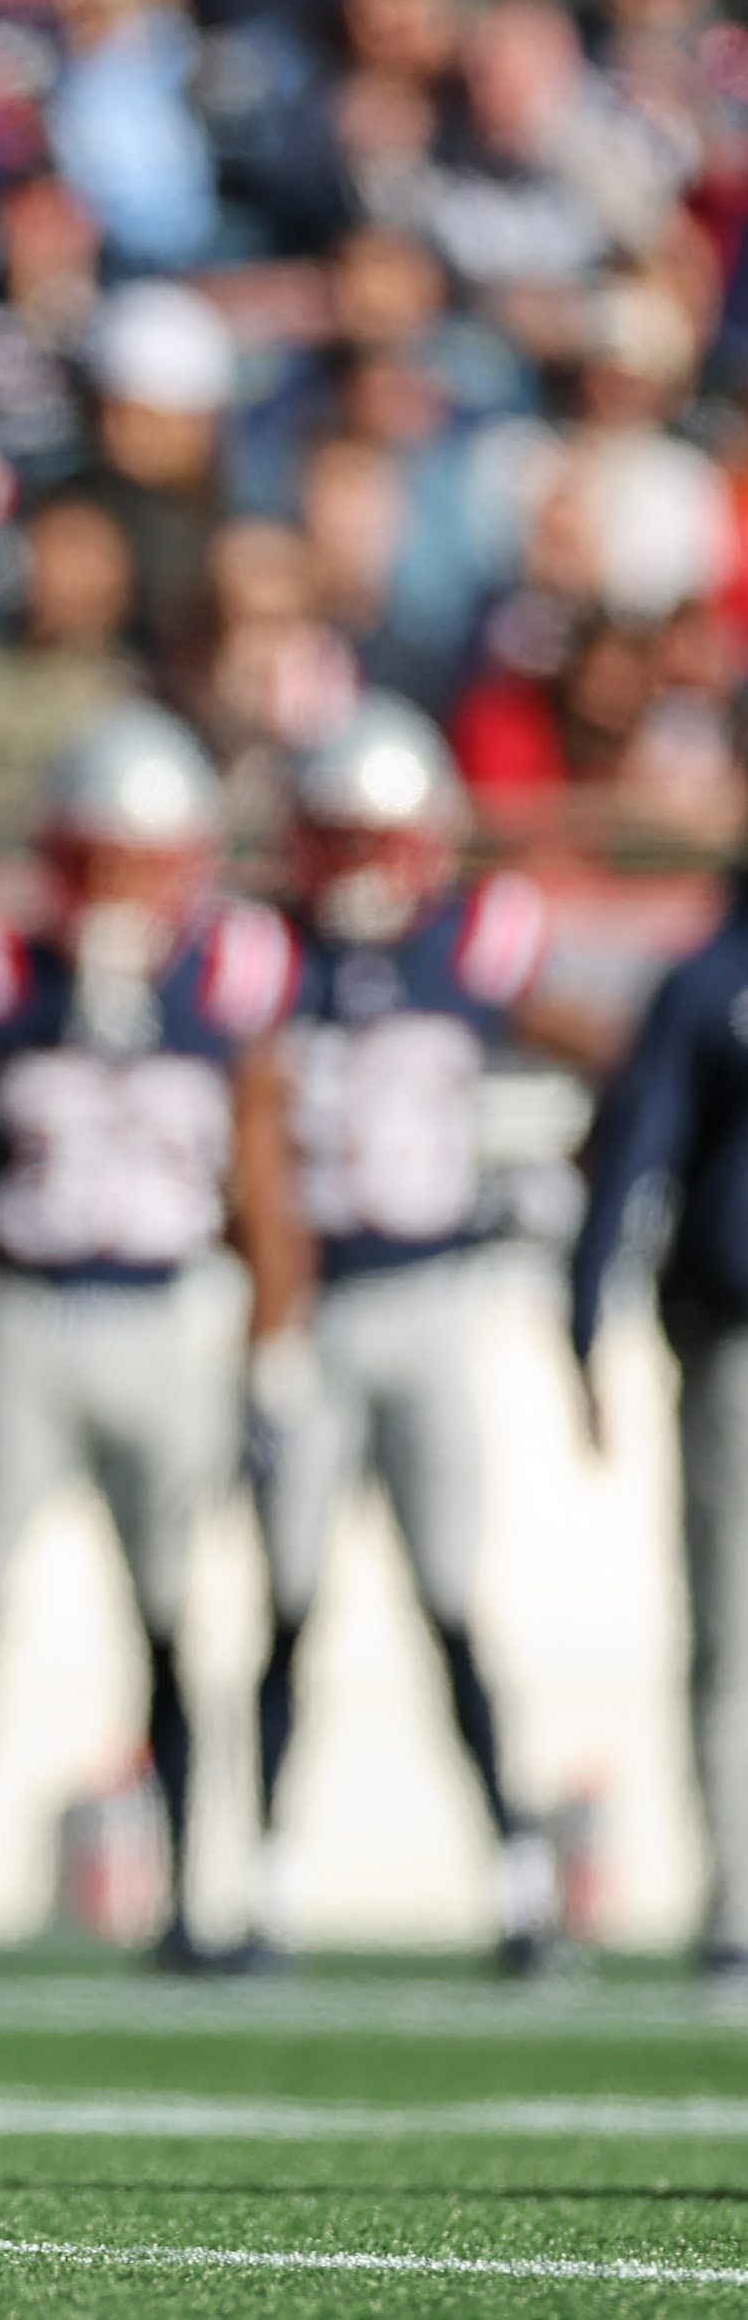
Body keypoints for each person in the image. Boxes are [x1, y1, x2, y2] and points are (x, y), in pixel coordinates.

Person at [0, 703, 301, 1971]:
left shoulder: (228, 972)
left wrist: (274, 1350)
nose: (119, 890)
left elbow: (259, 1175)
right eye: (97, 858)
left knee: (176, 1619)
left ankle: (193, 1901)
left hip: (170, 1317)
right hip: (27, 1314)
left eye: (142, 860)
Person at [250, 694, 596, 1973]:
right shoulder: (264, 953)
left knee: (451, 1600)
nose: (353, 866)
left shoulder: (473, 939)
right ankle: (260, 1883)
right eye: (332, 838)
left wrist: (576, 1167)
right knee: (287, 1605)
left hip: (431, 1303)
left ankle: (516, 1880)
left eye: (371, 838)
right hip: (313, 1308)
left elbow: (610, 1056)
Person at [569, 871, 748, 1990]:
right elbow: (642, 1139)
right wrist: (584, 1309)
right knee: (730, 1635)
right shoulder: (708, 979)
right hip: (732, 1340)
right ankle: (735, 1898)